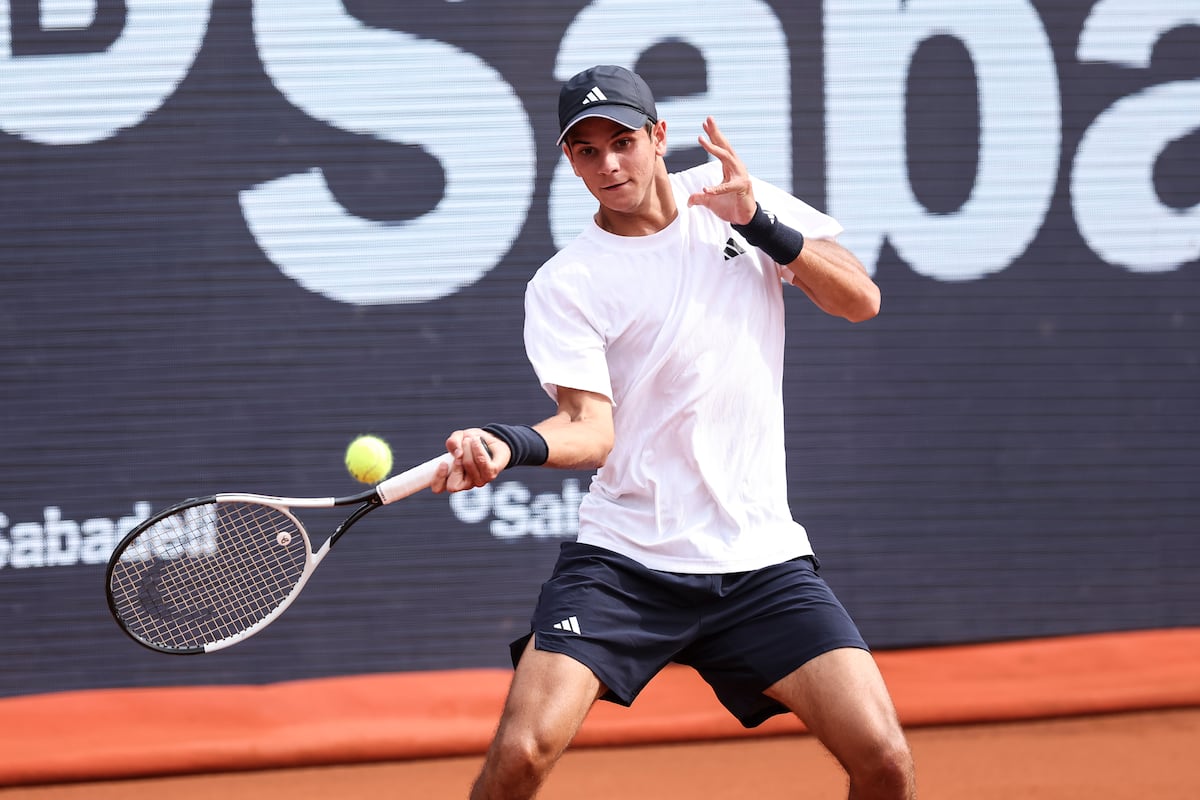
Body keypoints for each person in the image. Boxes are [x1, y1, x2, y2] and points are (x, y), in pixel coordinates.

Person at [431, 64, 916, 799]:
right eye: (586, 151)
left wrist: (757, 222)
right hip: (625, 561)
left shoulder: (739, 205)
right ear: (569, 160)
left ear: (659, 137)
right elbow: (590, 431)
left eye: (622, 140)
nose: (608, 164)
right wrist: (509, 444)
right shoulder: (567, 283)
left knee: (882, 759)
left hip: (758, 558)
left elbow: (861, 301)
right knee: (524, 752)